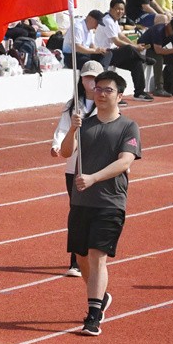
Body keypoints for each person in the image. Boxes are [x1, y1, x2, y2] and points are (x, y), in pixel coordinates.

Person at [59, 70, 141, 336]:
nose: (102, 94)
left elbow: (125, 161)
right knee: (82, 257)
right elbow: (65, 152)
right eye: (98, 89)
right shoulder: (86, 124)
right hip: (82, 201)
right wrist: (72, 127)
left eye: (108, 90)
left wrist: (94, 177)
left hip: (110, 201)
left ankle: (93, 315)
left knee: (97, 256)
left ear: (120, 95)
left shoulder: (128, 126)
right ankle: (101, 297)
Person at [51, 59, 104, 278]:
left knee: (96, 213)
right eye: (86, 77)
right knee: (77, 213)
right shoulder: (73, 106)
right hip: (74, 169)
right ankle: (75, 260)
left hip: (99, 170)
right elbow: (62, 128)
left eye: (94, 78)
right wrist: (56, 144)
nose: (90, 82)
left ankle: (94, 254)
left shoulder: (107, 105)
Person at [95, 0, 153, 102]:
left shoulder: (114, 21)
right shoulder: (107, 20)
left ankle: (139, 92)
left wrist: (135, 45)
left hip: (113, 54)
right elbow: (117, 41)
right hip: (104, 54)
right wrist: (135, 47)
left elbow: (121, 36)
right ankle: (145, 58)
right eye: (117, 9)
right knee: (129, 49)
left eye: (122, 9)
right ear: (111, 9)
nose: (120, 12)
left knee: (136, 63)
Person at [142, 16, 173, 98]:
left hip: (157, 50)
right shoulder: (158, 30)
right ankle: (159, 87)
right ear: (169, 25)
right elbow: (158, 50)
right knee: (158, 57)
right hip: (145, 49)